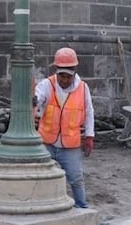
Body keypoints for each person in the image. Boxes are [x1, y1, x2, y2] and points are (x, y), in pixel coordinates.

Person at [35, 47, 94, 209]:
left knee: (76, 178)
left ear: (74, 73)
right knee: (43, 178)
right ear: (56, 72)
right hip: (47, 142)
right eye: (61, 76)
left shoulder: (83, 88)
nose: (64, 80)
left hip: (70, 144)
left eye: (68, 76)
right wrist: (35, 101)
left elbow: (89, 112)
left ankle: (81, 206)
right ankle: (44, 206)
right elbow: (38, 98)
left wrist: (89, 136)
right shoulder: (47, 85)